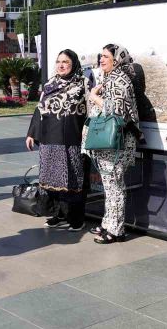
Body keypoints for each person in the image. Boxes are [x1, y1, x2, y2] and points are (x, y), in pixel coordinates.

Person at [25, 49, 88, 231]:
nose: (61, 65)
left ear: (73, 64)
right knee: (51, 180)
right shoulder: (50, 84)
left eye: (65, 62)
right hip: (49, 140)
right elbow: (39, 110)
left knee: (72, 179)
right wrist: (31, 133)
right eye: (59, 61)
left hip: (71, 140)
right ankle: (58, 215)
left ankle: (76, 218)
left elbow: (90, 111)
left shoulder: (82, 84)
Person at [85, 44, 140, 244]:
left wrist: (93, 97)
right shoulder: (112, 79)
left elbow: (115, 111)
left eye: (106, 57)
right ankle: (108, 223)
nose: (101, 60)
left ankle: (116, 230)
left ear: (116, 60)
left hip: (118, 143)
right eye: (101, 56)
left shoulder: (120, 80)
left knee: (115, 186)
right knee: (110, 186)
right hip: (110, 143)